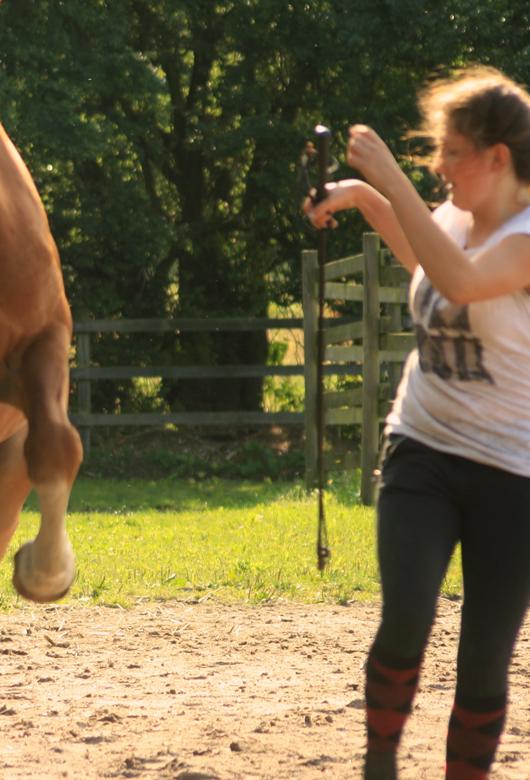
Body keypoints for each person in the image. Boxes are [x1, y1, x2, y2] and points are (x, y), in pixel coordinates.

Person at [305, 65, 530, 780]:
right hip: (423, 448)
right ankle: (380, 766)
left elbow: (463, 282)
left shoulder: (527, 237)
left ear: (498, 158)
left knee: (484, 663)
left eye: (451, 151)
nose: (440, 167)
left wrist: (388, 175)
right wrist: (362, 193)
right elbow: (425, 264)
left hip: (514, 474)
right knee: (405, 620)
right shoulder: (454, 222)